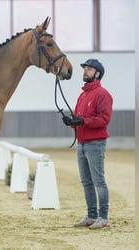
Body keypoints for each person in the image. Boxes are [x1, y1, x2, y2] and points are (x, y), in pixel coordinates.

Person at [62, 59, 113, 229]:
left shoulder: (102, 94)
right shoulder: (83, 95)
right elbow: (81, 119)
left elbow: (104, 119)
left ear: (97, 74)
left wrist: (83, 121)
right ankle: (92, 216)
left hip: (95, 143)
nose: (85, 71)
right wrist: (72, 121)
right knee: (86, 182)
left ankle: (103, 218)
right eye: (85, 69)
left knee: (98, 181)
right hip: (83, 143)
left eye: (89, 69)